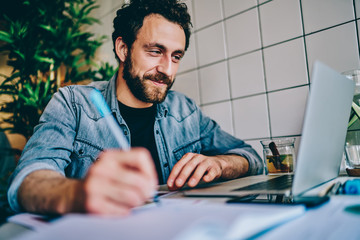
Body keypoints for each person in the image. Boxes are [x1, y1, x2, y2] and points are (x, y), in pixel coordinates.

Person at [7, 0, 263, 216]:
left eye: (176, 56)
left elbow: (250, 158)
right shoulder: (73, 103)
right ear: (123, 48)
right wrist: (78, 193)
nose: (168, 69)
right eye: (155, 51)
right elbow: (27, 181)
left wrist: (220, 164)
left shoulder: (184, 110)